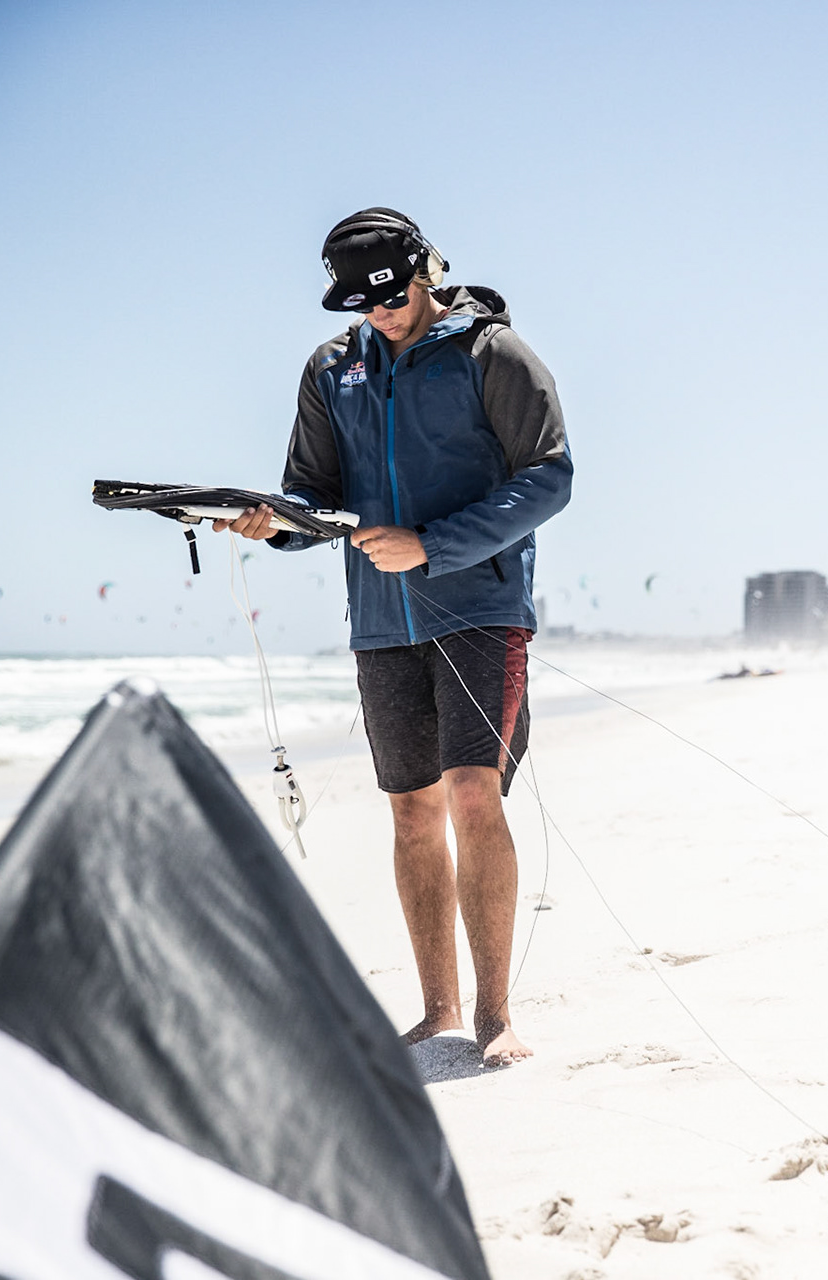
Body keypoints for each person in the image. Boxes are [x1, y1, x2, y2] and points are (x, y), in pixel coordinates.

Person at [217, 208, 572, 1067]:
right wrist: (275, 523)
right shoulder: (330, 369)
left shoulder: (491, 353)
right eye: (362, 305)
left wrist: (435, 546)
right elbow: (314, 493)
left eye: (392, 297)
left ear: (424, 272)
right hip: (380, 623)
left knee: (473, 794)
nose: (380, 314)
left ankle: (495, 1016)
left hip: (481, 609)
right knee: (412, 811)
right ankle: (436, 1007)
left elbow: (550, 477)